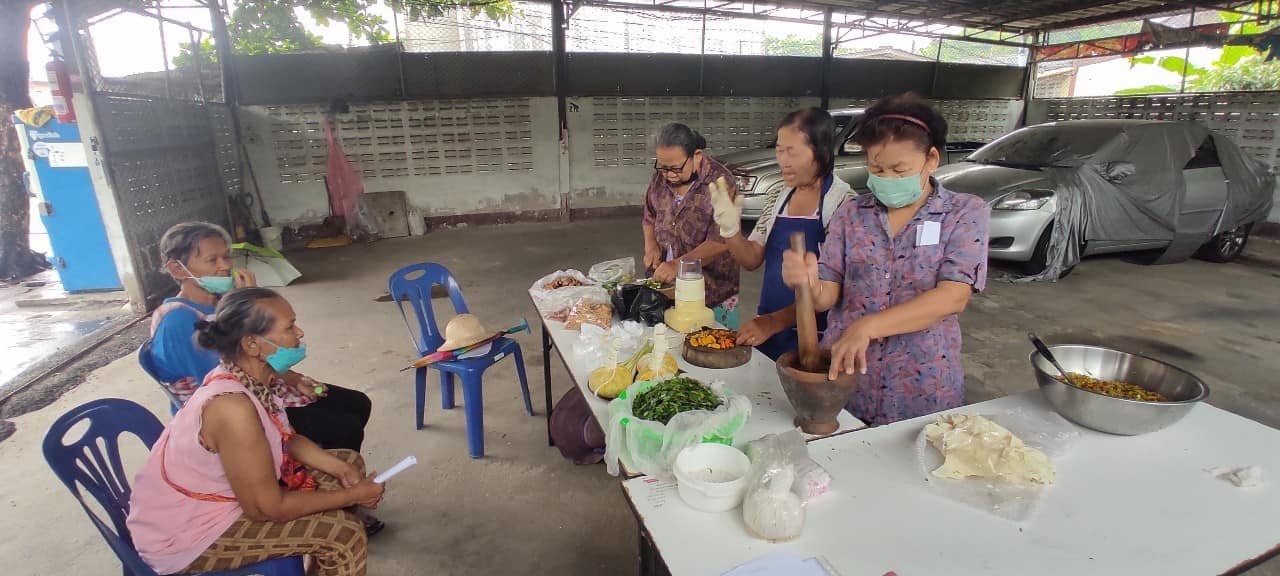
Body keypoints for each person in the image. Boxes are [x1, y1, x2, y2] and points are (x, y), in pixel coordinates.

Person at [128, 288, 385, 576]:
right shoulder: (232, 408)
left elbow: (285, 438)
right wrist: (352, 496)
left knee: (349, 463)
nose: (299, 333)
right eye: (289, 327)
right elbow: (267, 508)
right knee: (343, 536)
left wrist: (340, 469)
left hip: (224, 497)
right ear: (252, 344)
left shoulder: (252, 377)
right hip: (189, 531)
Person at [781, 94, 990, 425]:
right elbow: (827, 295)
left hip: (922, 383)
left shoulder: (963, 213)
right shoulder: (852, 213)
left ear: (931, 158)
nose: (887, 178)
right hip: (847, 381)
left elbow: (953, 296)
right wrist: (808, 283)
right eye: (877, 168)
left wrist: (869, 326)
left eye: (899, 169)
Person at [146, 222, 372, 452]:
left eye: (227, 257)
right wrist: (250, 306)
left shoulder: (222, 301)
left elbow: (256, 358)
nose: (225, 266)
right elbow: (231, 378)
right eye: (212, 260)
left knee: (358, 403)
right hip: (227, 409)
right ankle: (319, 470)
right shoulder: (178, 322)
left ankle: (326, 465)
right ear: (177, 269)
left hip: (259, 386)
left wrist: (294, 379)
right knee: (345, 428)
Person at [711, 108, 853, 360]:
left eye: (792, 152)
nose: (783, 161)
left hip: (816, 337)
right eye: (779, 150)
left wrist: (773, 322)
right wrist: (731, 231)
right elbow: (751, 258)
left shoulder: (843, 203)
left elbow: (834, 292)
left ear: (820, 151)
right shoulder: (778, 196)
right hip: (768, 329)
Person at [642, 123, 742, 328]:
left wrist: (677, 265)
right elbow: (649, 215)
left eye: (676, 168)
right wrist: (651, 245)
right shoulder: (661, 177)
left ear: (696, 155)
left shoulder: (721, 183)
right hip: (668, 288)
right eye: (663, 167)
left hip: (712, 292)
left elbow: (721, 241)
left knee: (710, 341)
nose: (669, 174)